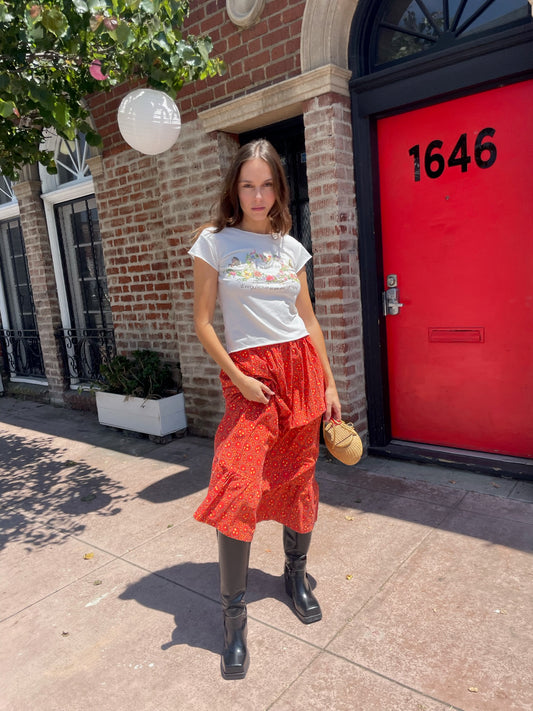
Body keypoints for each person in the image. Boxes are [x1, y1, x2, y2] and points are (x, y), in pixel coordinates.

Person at [189, 139, 341, 680]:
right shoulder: (213, 242)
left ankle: (294, 576)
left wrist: (329, 384)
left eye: (267, 184)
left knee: (298, 480)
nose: (258, 195)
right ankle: (234, 622)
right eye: (248, 184)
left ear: (279, 189)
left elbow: (311, 320)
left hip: (301, 369)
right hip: (250, 378)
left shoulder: (289, 247)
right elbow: (204, 321)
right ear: (235, 187)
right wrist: (239, 378)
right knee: (236, 482)